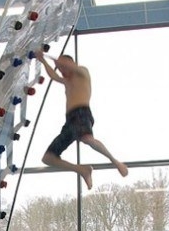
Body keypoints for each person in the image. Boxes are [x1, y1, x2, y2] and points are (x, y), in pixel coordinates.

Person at [35, 50, 128, 190]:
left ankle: (115, 162)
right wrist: (43, 61)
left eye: (63, 67)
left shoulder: (82, 72)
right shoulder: (66, 81)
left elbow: (69, 65)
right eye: (60, 69)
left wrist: (53, 58)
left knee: (87, 139)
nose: (61, 71)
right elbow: (53, 76)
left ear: (71, 63)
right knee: (48, 158)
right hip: (70, 121)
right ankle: (81, 170)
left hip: (82, 113)